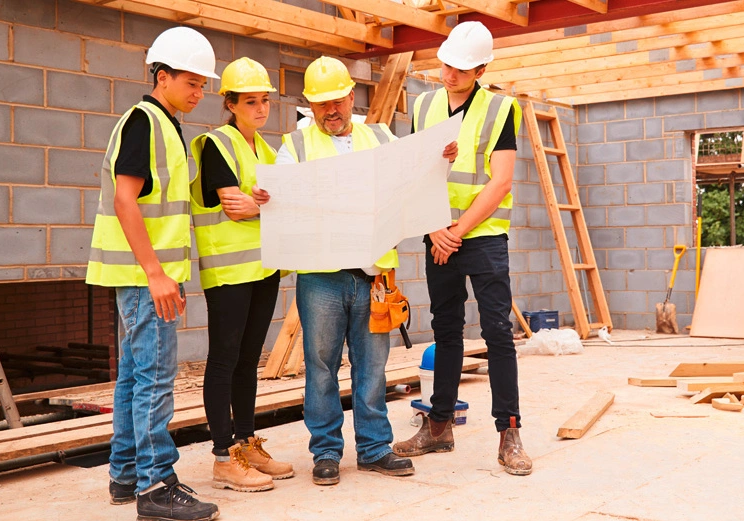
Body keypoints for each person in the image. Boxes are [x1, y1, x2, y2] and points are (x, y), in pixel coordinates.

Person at [255, 56, 456, 486]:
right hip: (321, 277)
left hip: (374, 275)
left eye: (338, 101)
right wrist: (267, 194)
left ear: (351, 96)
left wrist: (443, 161)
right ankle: (326, 452)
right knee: (321, 367)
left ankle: (374, 448)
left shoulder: (381, 136)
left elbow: (414, 182)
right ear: (310, 103)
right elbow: (282, 195)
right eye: (322, 103)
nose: (331, 110)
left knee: (372, 368)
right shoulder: (296, 147)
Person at [86, 27, 220, 520]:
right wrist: (156, 273)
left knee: (135, 378)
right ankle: (156, 486)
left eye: (203, 85)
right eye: (192, 82)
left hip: (150, 275)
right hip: (148, 278)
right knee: (155, 381)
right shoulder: (144, 121)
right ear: (162, 77)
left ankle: (125, 476)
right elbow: (126, 200)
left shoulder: (164, 123)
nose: (199, 92)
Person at [392, 21, 532, 476]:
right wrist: (436, 230)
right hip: (440, 236)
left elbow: (502, 179)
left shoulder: (501, 109)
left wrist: (457, 229)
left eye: (462, 69)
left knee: (495, 333)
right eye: (447, 64)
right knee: (446, 330)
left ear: (482, 69)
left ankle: (508, 432)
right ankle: (439, 426)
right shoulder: (424, 104)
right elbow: (416, 173)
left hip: (483, 235)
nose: (450, 74)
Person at [189, 57, 295, 493]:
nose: (260, 108)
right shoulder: (216, 144)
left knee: (249, 361)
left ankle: (246, 443)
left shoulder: (266, 150)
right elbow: (234, 206)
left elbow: (281, 204)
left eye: (265, 100)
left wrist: (266, 204)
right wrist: (269, 204)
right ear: (229, 103)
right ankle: (221, 458)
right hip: (229, 271)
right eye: (250, 101)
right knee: (224, 359)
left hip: (263, 268)